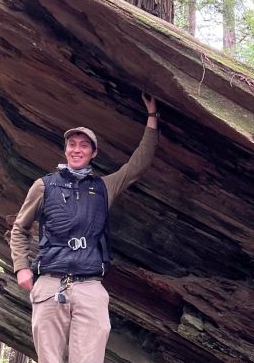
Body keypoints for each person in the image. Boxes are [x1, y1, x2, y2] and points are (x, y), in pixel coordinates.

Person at [9, 93, 159, 363]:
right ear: (65, 150)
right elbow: (20, 228)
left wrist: (152, 119)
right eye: (72, 145)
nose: (77, 150)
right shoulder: (44, 185)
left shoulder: (104, 187)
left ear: (93, 153)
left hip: (90, 287)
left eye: (84, 146)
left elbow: (138, 164)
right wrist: (21, 267)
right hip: (50, 285)